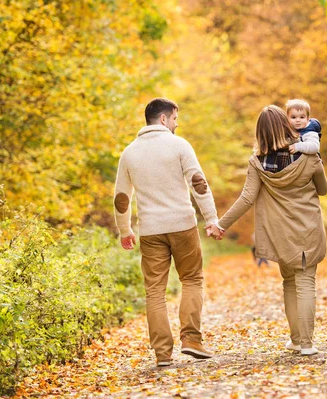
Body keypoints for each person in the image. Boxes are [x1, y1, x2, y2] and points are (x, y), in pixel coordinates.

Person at [207, 105, 327, 356]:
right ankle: (307, 344)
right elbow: (324, 189)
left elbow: (246, 198)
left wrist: (221, 224)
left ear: (260, 133)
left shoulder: (256, 162)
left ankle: (296, 340)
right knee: (306, 283)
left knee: (289, 283)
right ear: (286, 124)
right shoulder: (309, 155)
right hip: (308, 229)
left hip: (280, 234)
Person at [114, 97, 219, 367]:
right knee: (192, 280)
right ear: (164, 119)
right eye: (174, 119)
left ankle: (162, 354)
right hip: (182, 225)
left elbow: (122, 197)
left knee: (154, 292)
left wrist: (125, 229)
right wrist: (211, 219)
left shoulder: (129, 152)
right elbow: (199, 183)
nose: (175, 124)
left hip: (150, 231)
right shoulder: (179, 145)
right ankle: (192, 340)